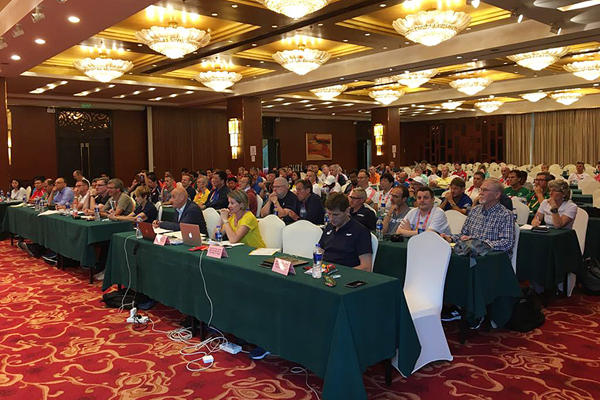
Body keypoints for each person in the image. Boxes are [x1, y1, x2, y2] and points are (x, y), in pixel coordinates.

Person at [441, 179, 515, 253]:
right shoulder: (475, 210)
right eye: (481, 190)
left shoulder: (505, 215)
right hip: (471, 255)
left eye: (485, 190)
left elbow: (507, 243)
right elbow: (464, 234)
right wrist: (450, 238)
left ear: (497, 195)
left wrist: (478, 243)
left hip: (492, 259)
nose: (480, 193)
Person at [319, 193, 373, 271]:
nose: (331, 218)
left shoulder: (360, 232)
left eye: (336, 215)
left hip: (346, 273)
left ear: (347, 211)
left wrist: (341, 272)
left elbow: (366, 267)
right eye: (329, 214)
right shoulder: (329, 227)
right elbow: (320, 252)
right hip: (326, 270)